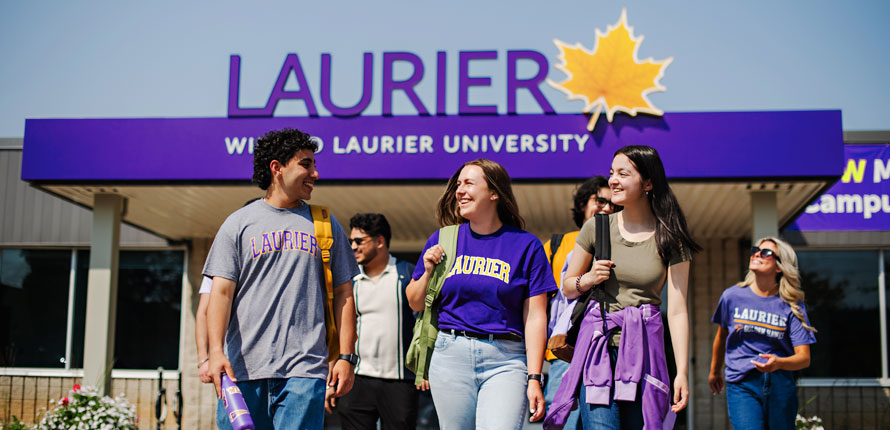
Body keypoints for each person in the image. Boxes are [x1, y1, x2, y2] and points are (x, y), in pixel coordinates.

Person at [204, 128, 360, 430]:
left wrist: (346, 356)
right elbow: (219, 295)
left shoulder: (325, 224)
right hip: (243, 372)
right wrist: (214, 353)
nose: (315, 172)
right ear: (277, 168)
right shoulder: (238, 224)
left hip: (305, 372)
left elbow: (344, 293)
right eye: (306, 164)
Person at [547, 145, 701, 430]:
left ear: (648, 182)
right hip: (598, 349)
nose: (613, 181)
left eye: (623, 173)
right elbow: (568, 287)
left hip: (645, 353)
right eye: (611, 173)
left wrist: (681, 373)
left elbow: (678, 311)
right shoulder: (597, 227)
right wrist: (590, 278)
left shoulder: (670, 236)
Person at [405, 159, 557, 430]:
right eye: (458, 184)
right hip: (450, 356)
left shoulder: (527, 245)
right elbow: (414, 301)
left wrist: (535, 376)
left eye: (469, 183)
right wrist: (427, 270)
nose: (460, 191)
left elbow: (535, 316)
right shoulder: (443, 239)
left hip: (506, 359)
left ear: (494, 193)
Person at [708, 237, 816, 430]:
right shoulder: (732, 296)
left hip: (780, 384)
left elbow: (804, 358)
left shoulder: (792, 306)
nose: (757, 254)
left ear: (779, 267)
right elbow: (722, 336)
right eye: (755, 250)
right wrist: (714, 371)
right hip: (742, 383)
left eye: (766, 252)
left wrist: (779, 363)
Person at [542, 176, 616, 430]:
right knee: (563, 421)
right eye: (600, 201)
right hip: (566, 351)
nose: (607, 208)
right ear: (584, 204)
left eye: (613, 204)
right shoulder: (557, 245)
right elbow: (539, 304)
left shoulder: (620, 241)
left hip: (609, 349)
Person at [333, 213, 419, 430]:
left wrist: (424, 368)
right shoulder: (348, 282)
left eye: (359, 241)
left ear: (380, 241)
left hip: (400, 382)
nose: (353, 246)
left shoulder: (407, 274)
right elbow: (337, 330)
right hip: (357, 379)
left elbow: (422, 326)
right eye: (350, 241)